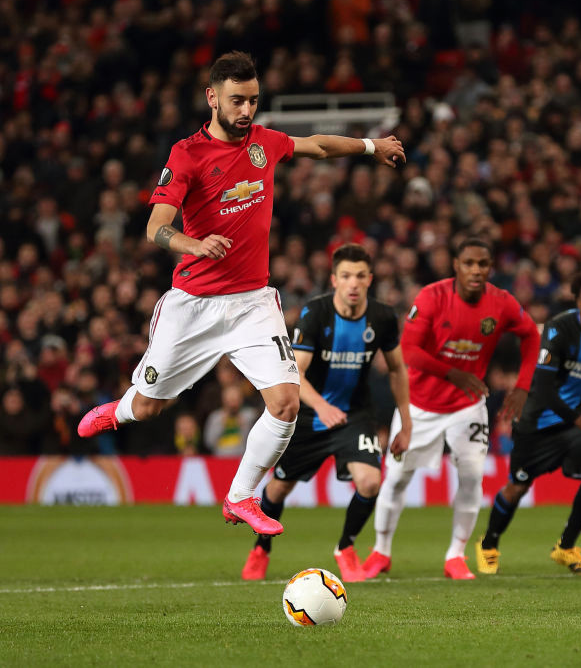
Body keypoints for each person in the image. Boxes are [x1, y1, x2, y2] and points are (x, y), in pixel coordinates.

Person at [76, 51, 405, 536]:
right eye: (237, 100)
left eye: (253, 100)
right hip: (193, 305)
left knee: (286, 403)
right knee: (148, 408)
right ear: (212, 98)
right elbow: (155, 227)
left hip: (252, 302)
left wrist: (371, 146)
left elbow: (317, 145)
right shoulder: (187, 154)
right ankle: (118, 411)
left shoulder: (264, 143)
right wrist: (194, 244)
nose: (246, 110)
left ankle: (241, 496)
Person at [363, 238, 541, 581]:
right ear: (456, 265)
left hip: (467, 406)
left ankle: (455, 555)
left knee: (472, 477)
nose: (476, 270)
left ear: (490, 268)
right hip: (419, 404)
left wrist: (522, 387)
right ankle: (381, 551)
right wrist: (454, 374)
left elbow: (532, 335)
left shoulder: (501, 302)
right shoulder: (432, 296)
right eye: (469, 263)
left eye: (483, 264)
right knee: (396, 478)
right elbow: (408, 350)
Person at [241, 243, 411, 582]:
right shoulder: (316, 313)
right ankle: (261, 548)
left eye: (360, 276)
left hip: (354, 415)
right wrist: (322, 406)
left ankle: (345, 548)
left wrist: (406, 424)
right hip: (309, 416)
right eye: (346, 276)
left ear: (370, 279)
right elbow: (296, 373)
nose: (353, 283)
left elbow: (397, 369)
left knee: (370, 482)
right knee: (278, 489)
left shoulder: (382, 317)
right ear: (334, 279)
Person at [475, 269, 581, 575]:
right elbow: (542, 388)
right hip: (537, 423)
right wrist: (580, 421)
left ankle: (566, 547)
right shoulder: (558, 331)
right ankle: (488, 544)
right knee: (517, 487)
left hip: (576, 420)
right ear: (578, 303)